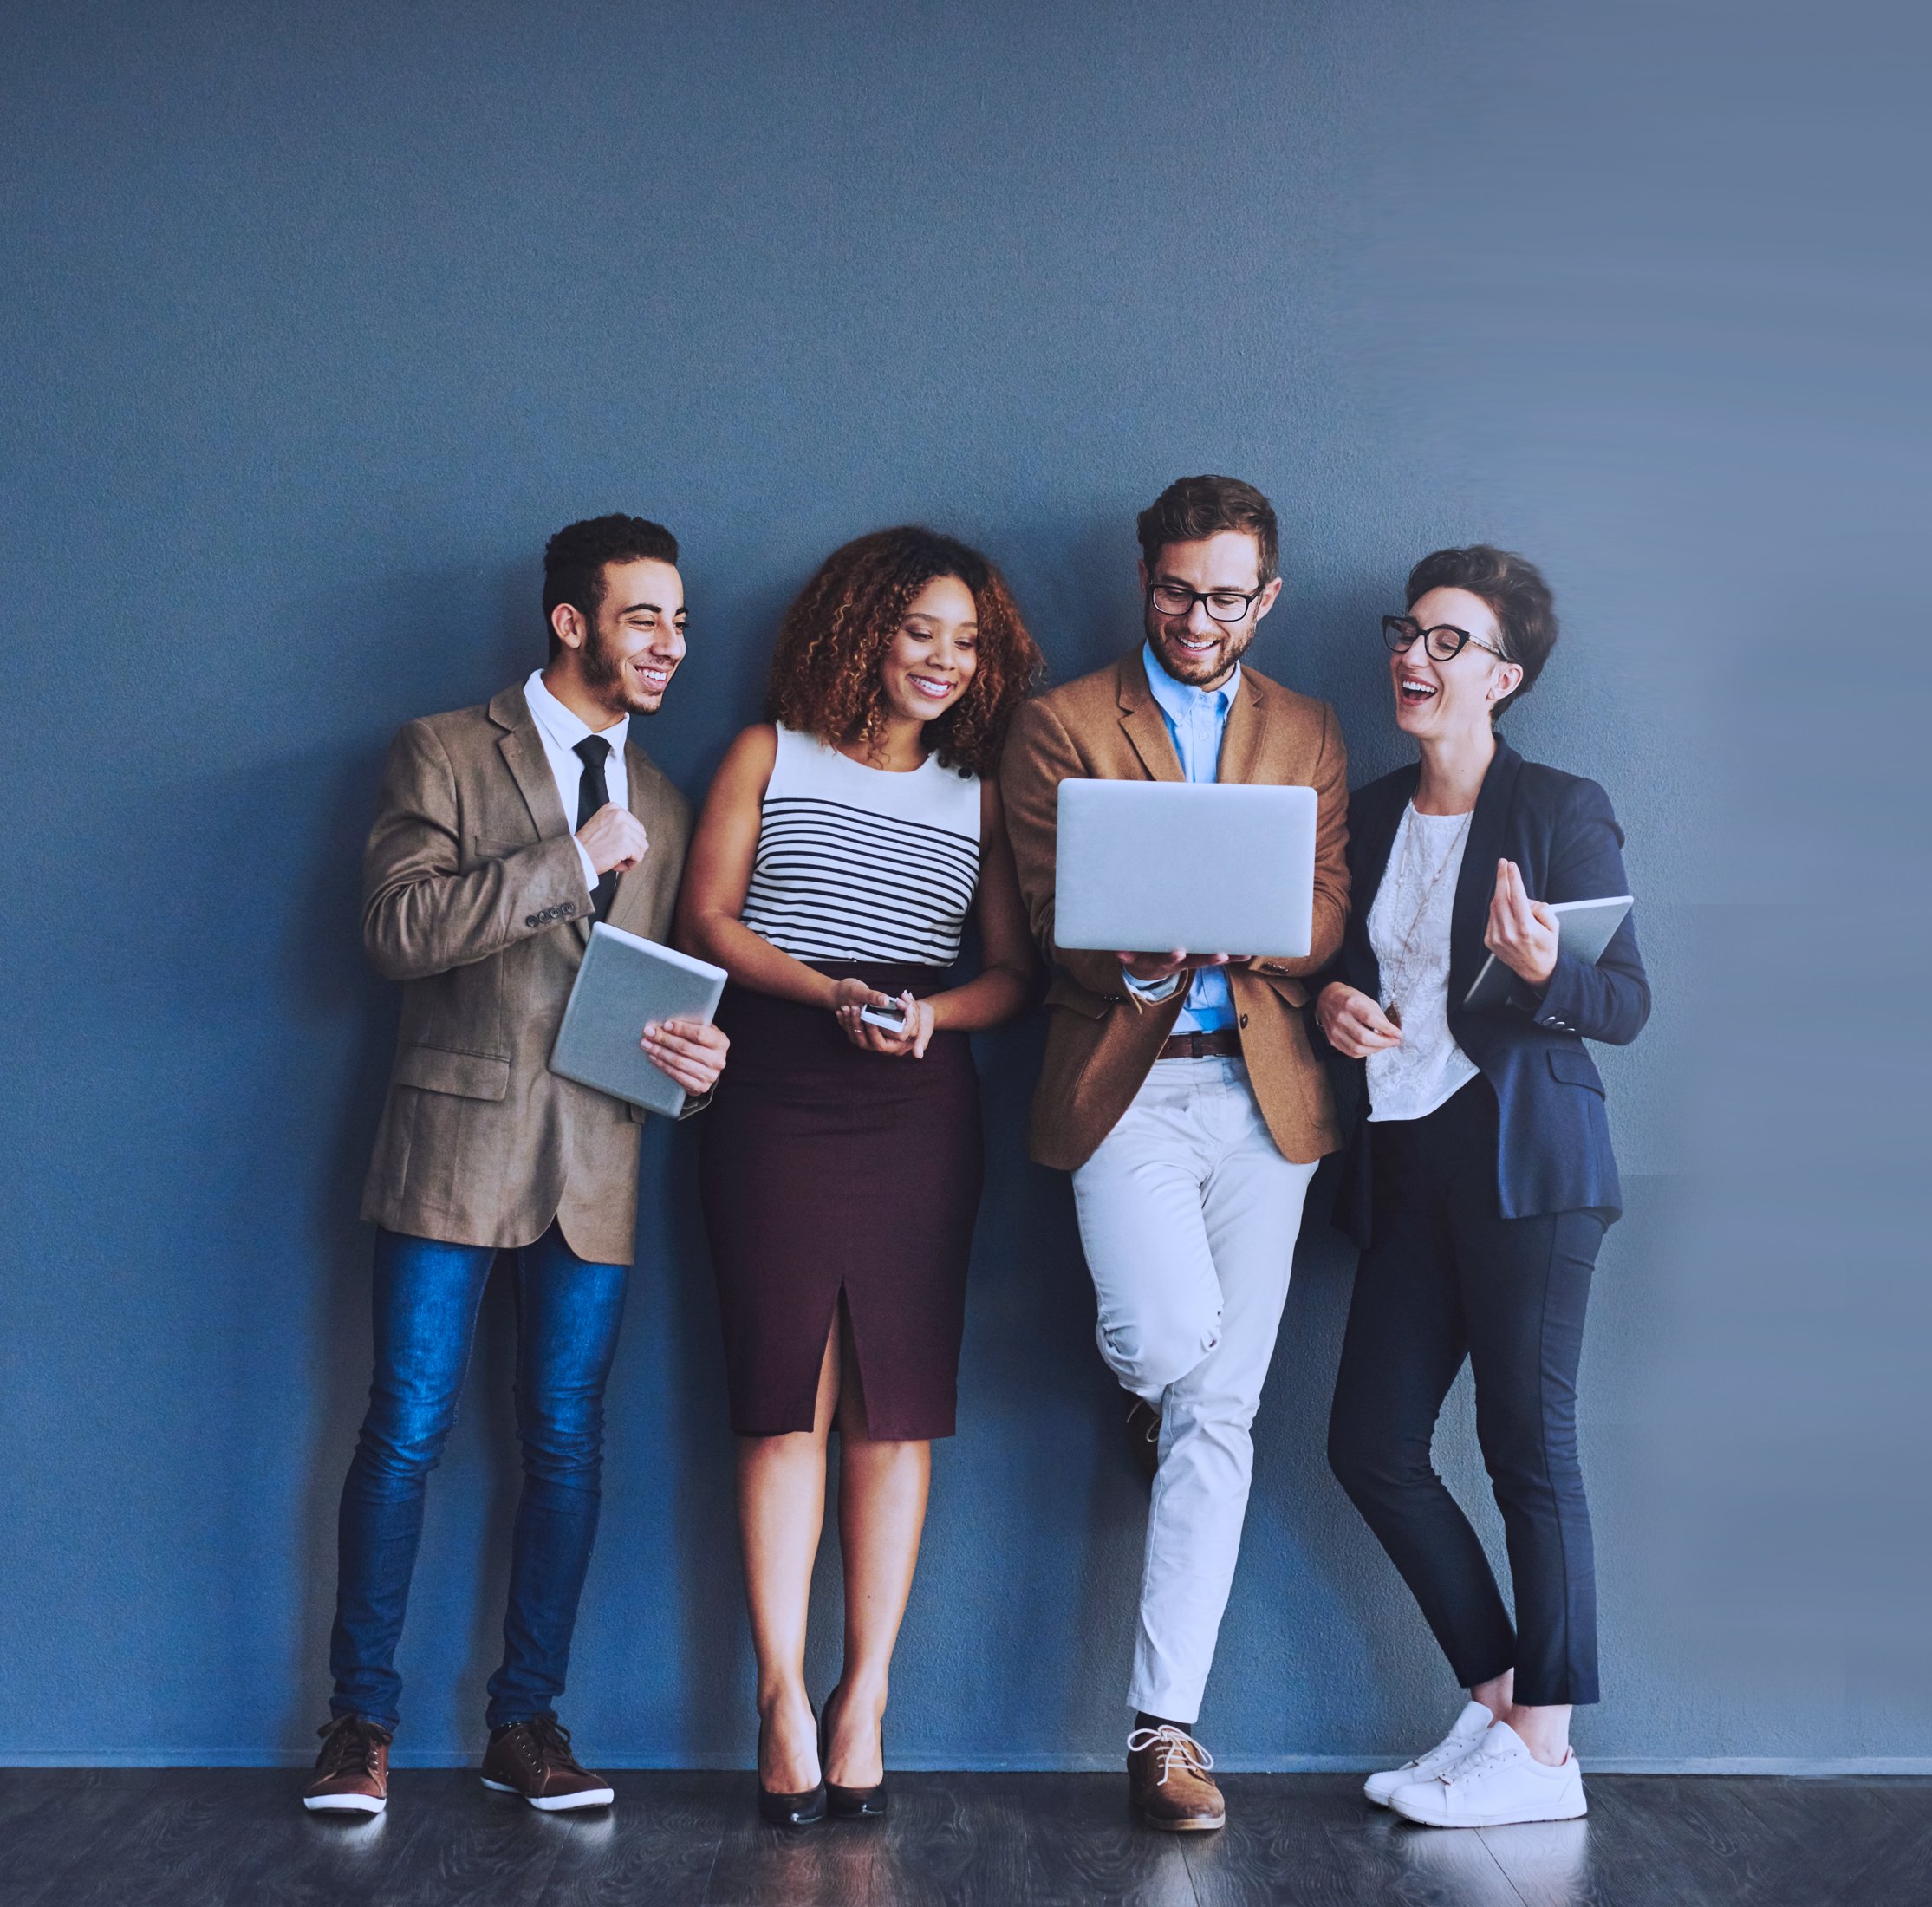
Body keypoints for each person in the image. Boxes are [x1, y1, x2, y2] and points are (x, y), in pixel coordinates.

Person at [302, 515, 730, 1817]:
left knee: (567, 1447)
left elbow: (639, 999)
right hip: (451, 1149)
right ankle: (356, 1727)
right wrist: (567, 862)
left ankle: (527, 1724)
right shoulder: (443, 749)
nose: (670, 643)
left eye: (679, 621)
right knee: (407, 1430)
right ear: (573, 621)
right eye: (645, 616)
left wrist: (690, 1068)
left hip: (594, 1163)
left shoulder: (664, 797)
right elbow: (392, 931)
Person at [677, 527, 1043, 1826]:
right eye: (919, 631)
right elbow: (707, 921)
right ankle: (778, 1695)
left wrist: (933, 1019)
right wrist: (827, 989)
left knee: (898, 1407)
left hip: (915, 1099)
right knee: (786, 1399)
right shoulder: (768, 754)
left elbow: (1010, 974)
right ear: (860, 632)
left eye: (966, 639)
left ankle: (864, 1697)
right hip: (772, 1085)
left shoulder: (979, 791)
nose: (944, 659)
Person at [1000, 475, 1350, 1831]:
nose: (1196, 618)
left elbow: (1322, 914)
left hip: (1266, 1102)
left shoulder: (1308, 726)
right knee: (1167, 1346)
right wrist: (1136, 951)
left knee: (1222, 1419)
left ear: (1266, 597)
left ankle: (1164, 1732)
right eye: (1174, 590)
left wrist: (1238, 930)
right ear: (1143, 579)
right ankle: (1149, 1389)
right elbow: (1044, 919)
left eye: (1224, 596)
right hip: (1125, 1085)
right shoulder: (1063, 722)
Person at [1316, 546, 1649, 1828]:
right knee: (1370, 1446)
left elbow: (1626, 1002)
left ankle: (1550, 1756)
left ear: (1502, 678)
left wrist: (1547, 964)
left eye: (1449, 642)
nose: (1415, 655)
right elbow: (1342, 970)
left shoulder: (1561, 807)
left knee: (1528, 1448)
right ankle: (1503, 1703)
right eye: (1411, 632)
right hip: (1404, 1158)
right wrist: (1336, 1000)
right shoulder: (1373, 805)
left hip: (1532, 1168)